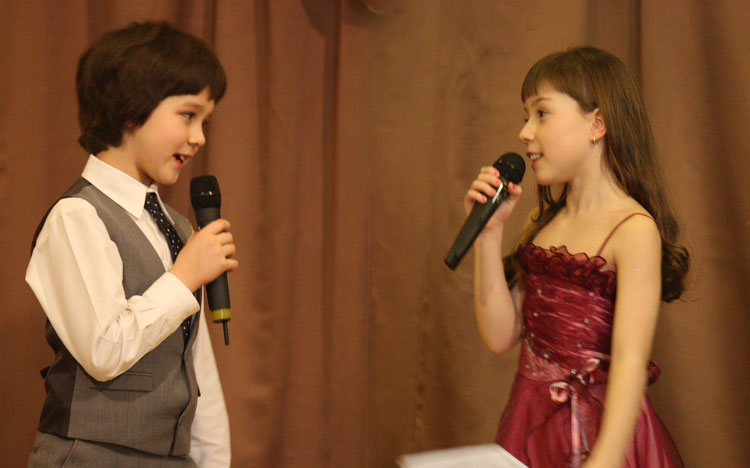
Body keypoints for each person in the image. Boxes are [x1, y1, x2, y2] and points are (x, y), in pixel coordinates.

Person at [464, 47, 689, 468]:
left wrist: (603, 461)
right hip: (532, 426)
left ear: (596, 125)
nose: (525, 132)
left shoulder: (633, 229)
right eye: (525, 116)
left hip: (603, 435)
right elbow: (499, 337)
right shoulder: (542, 222)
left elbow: (630, 361)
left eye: (541, 114)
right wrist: (488, 236)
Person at [25, 21, 236, 468]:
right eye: (188, 115)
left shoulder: (179, 227)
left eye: (205, 121)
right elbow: (103, 349)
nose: (200, 137)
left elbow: (197, 366)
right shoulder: (77, 216)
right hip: (90, 456)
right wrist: (184, 276)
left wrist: (213, 460)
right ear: (129, 109)